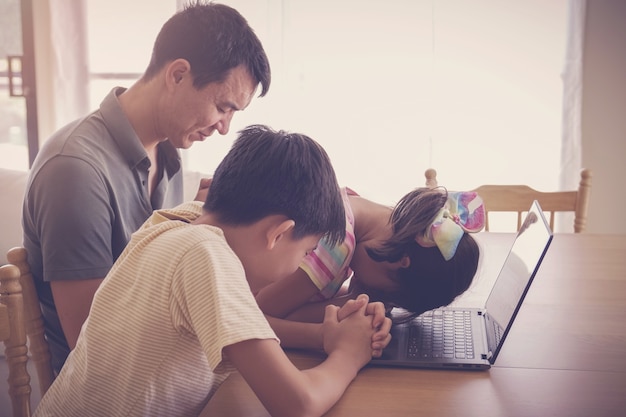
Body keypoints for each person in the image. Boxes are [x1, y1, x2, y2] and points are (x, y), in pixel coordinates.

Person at [33, 125, 392, 417]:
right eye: (307, 250)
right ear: (278, 234)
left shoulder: (178, 222)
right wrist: (349, 354)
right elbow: (298, 404)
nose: (303, 262)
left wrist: (326, 337)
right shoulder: (207, 257)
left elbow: (246, 329)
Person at [22, 1, 271, 373]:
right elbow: (93, 345)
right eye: (223, 107)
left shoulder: (171, 152)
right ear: (178, 75)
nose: (224, 127)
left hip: (161, 372)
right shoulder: (73, 170)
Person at [255, 186, 484, 344]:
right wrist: (336, 327)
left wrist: (358, 301)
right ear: (397, 263)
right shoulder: (334, 245)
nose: (374, 292)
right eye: (386, 292)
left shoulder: (347, 204)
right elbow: (257, 317)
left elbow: (301, 295)